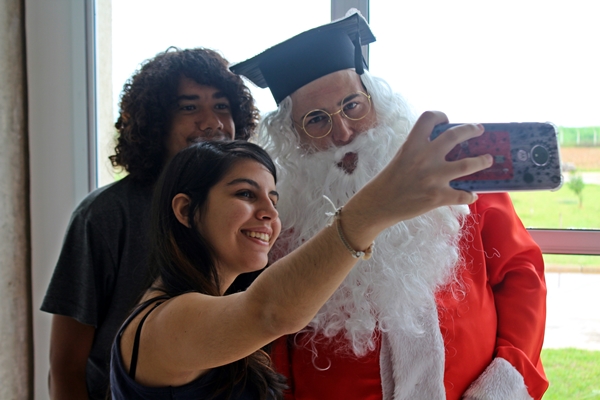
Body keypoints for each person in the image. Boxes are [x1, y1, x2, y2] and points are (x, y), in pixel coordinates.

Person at [231, 11, 548, 400]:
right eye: (316, 120)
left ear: (376, 102)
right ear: (292, 138)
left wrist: (508, 376)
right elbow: (270, 339)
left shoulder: (454, 174)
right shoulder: (281, 219)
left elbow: (522, 274)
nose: (343, 132)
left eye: (352, 106)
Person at [110, 124, 491, 398]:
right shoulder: (164, 323)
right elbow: (270, 312)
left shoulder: (201, 309)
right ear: (186, 209)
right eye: (246, 194)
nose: (268, 214)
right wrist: (377, 208)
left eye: (273, 199)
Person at [40, 47, 259, 400]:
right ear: (156, 121)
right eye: (189, 107)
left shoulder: (250, 212)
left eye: (221, 106)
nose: (212, 122)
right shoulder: (105, 215)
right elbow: (66, 366)